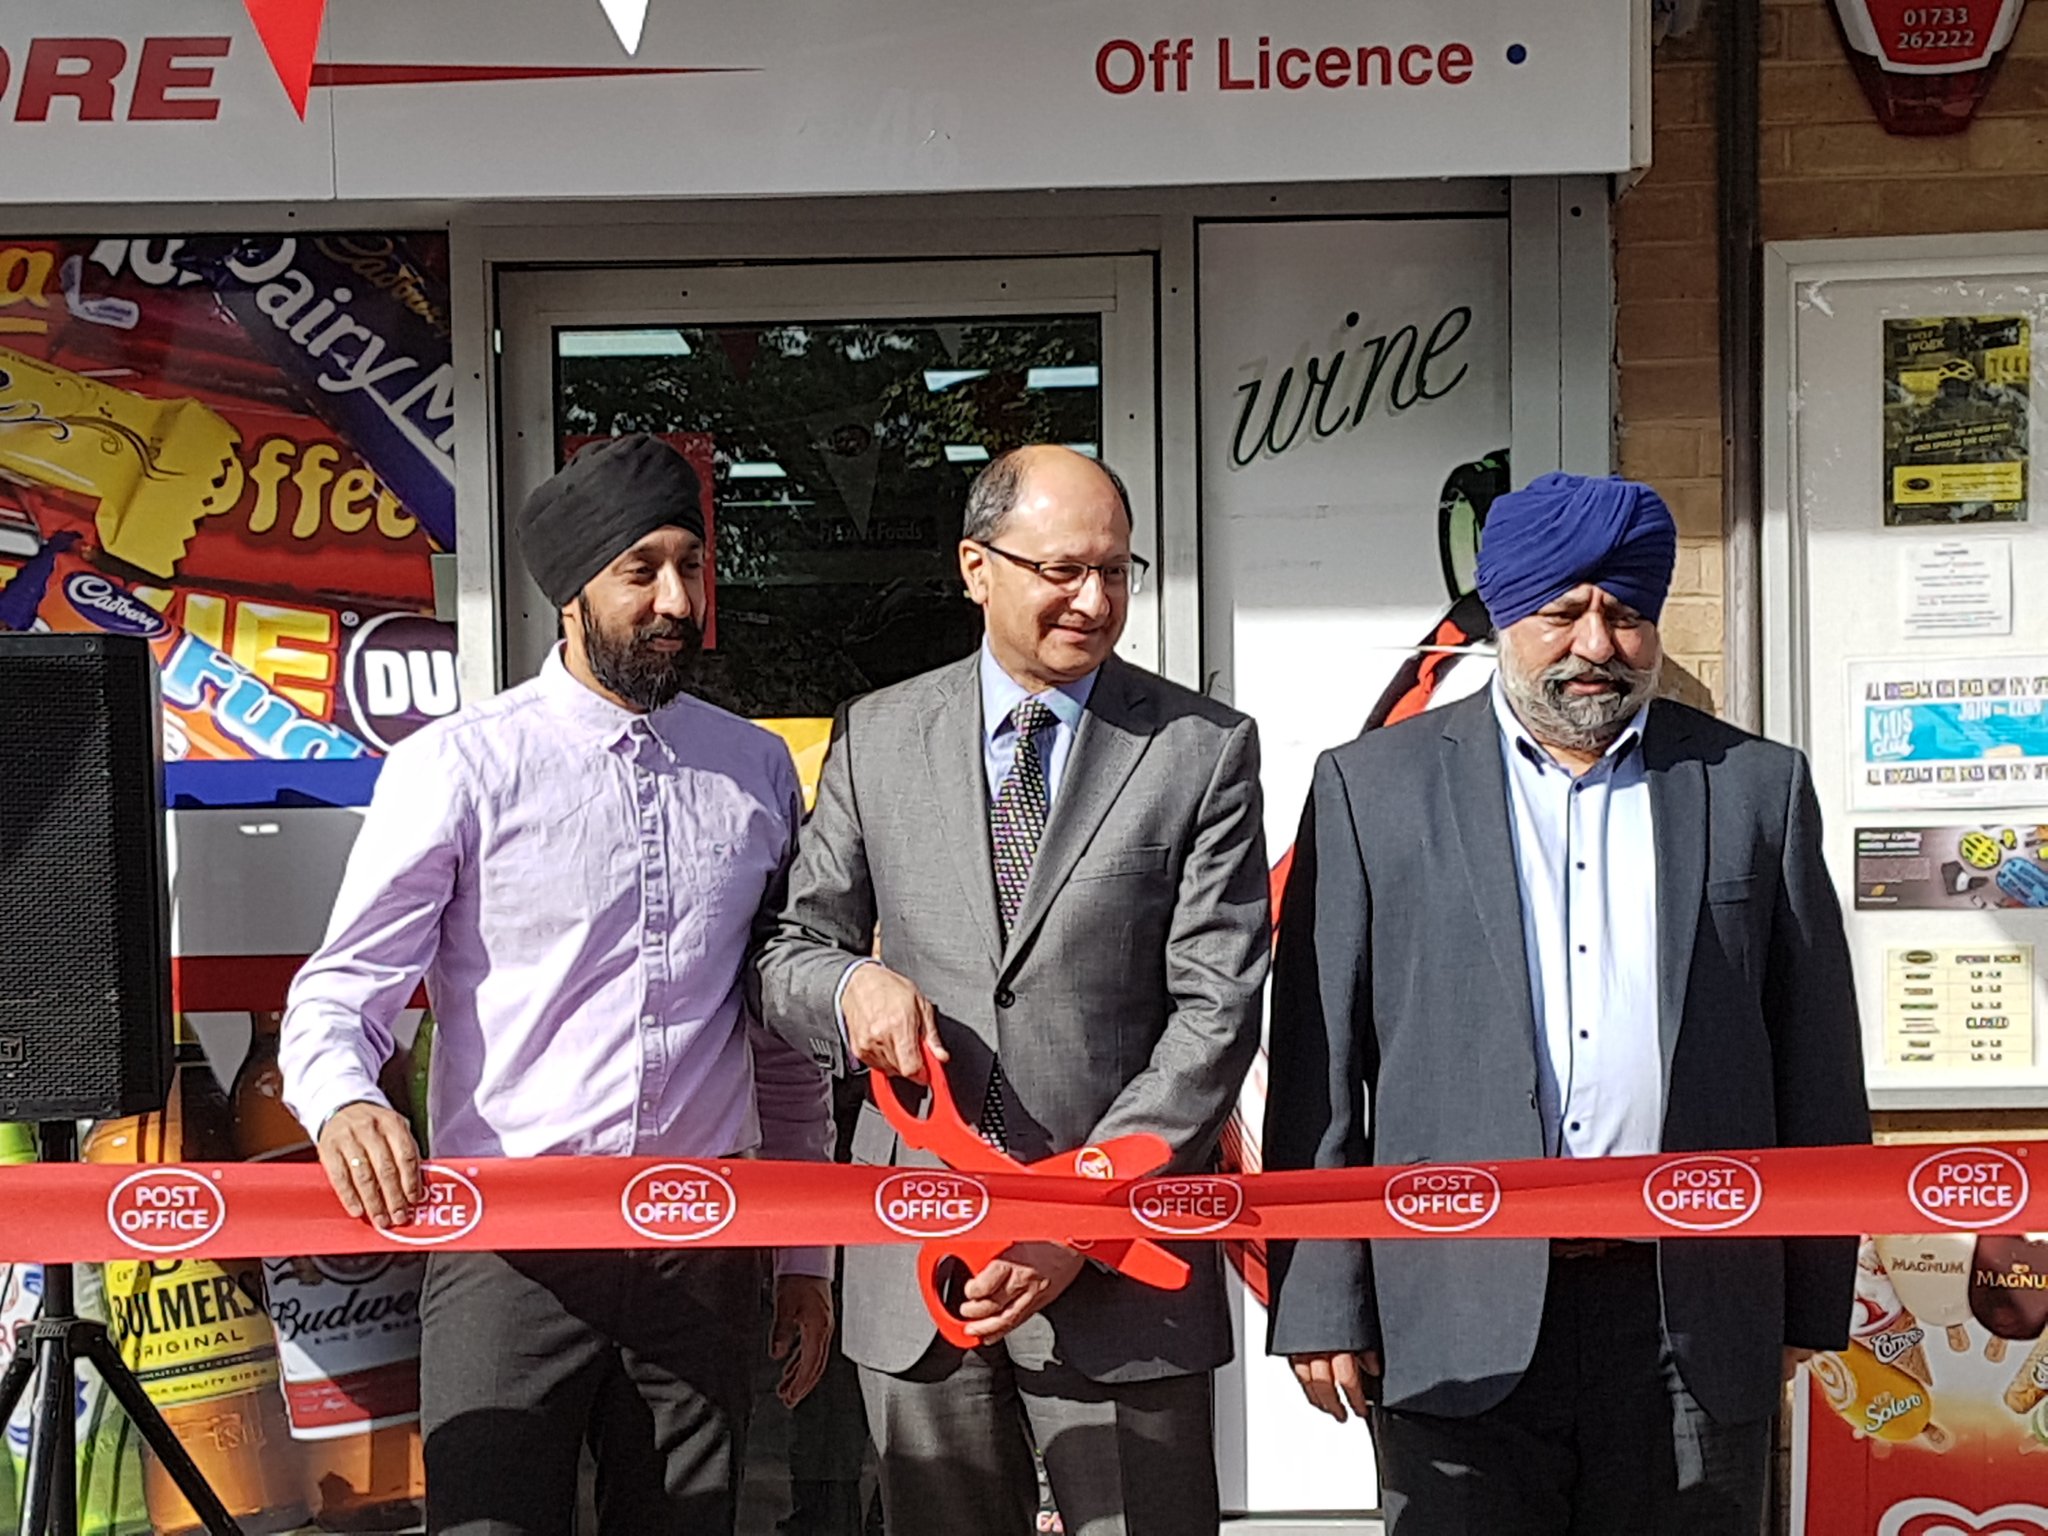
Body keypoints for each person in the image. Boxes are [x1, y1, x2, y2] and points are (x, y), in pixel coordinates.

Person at [1262, 472, 1871, 1535]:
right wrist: (1318, 1297)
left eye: (1626, 615)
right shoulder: (1371, 789)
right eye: (1563, 612)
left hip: (1692, 1311)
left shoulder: (1752, 787)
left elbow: (1814, 1057)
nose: (1596, 645)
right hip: (1449, 1309)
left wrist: (1808, 1300)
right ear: (1505, 614)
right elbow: (1320, 1063)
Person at [280, 433, 835, 1536]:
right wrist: (342, 1102)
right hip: (508, 1248)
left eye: (691, 565)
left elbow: (777, 1033)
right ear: (569, 592)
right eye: (641, 572)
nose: (676, 601)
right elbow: (341, 993)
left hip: (703, 1244)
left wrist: (805, 1255)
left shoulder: (756, 768)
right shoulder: (459, 765)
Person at [757, 444, 1268, 1536]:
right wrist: (850, 989)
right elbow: (793, 950)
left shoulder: (1199, 749)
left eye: (1116, 572)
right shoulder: (879, 733)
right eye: (1062, 570)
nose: (1094, 600)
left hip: (1123, 1264)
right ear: (975, 568)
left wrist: (1077, 1219)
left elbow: (1215, 1011)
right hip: (923, 1253)